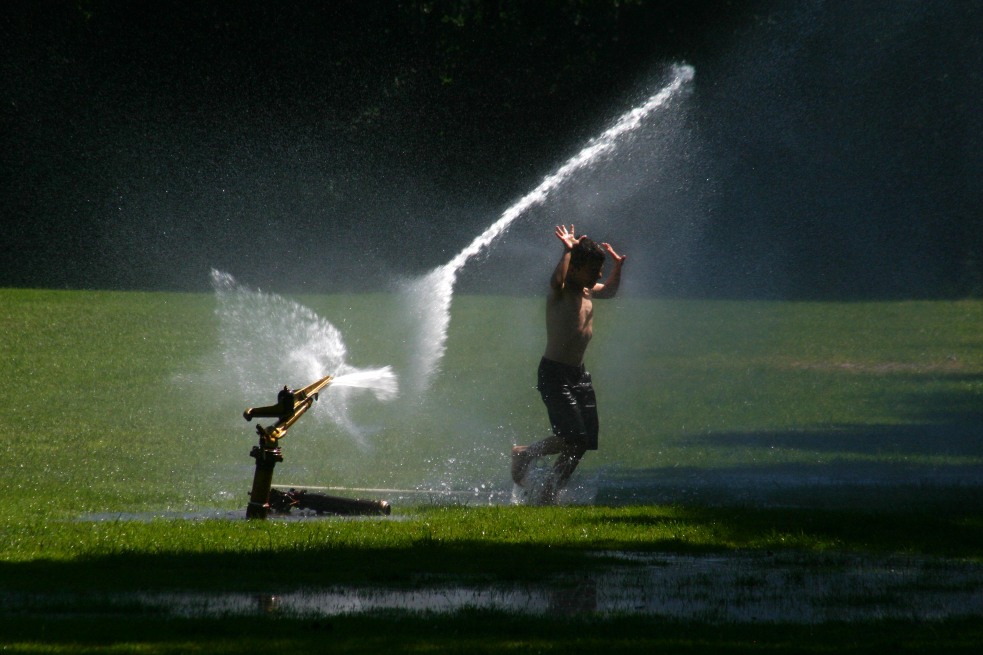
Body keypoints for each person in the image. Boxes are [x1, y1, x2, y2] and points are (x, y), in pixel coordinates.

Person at [511, 224, 625, 504]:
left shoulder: (587, 291)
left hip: (579, 375)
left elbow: (609, 291)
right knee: (571, 436)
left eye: (600, 270)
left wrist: (617, 267)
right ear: (574, 269)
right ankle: (525, 453)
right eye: (594, 270)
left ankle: (550, 490)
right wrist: (567, 250)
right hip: (554, 373)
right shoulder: (560, 292)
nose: (599, 275)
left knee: (583, 441)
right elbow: (556, 280)